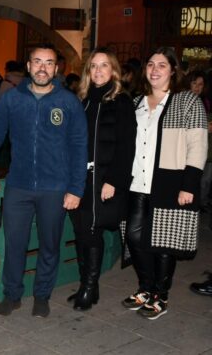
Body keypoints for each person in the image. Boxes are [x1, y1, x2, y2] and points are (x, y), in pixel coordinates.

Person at [0, 44, 87, 318]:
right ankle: (12, 295)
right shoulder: (12, 99)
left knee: (50, 245)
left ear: (56, 68)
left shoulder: (68, 102)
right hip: (19, 185)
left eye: (49, 63)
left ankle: (42, 296)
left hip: (55, 187)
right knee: (15, 243)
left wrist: (76, 188)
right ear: (28, 66)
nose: (42, 67)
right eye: (37, 62)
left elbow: (79, 146)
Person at [122, 47, 207, 320]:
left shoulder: (187, 102)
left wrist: (189, 185)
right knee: (135, 238)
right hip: (137, 182)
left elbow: (198, 146)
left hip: (170, 183)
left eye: (161, 65)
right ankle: (146, 287)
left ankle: (161, 294)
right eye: (150, 64)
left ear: (173, 70)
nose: (155, 69)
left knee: (162, 243)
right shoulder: (136, 102)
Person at [67, 48, 136, 311]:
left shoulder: (121, 101)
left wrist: (114, 181)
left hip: (102, 179)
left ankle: (88, 287)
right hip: (78, 178)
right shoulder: (81, 100)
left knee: (92, 230)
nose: (98, 71)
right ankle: (88, 286)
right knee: (81, 230)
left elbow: (126, 147)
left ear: (113, 70)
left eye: (104, 65)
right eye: (93, 66)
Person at [187, 70, 212, 212]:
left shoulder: (205, 101)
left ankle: (200, 202)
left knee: (205, 178)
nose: (197, 87)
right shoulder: (182, 99)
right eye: (194, 83)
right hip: (187, 147)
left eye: (200, 84)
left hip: (204, 146)